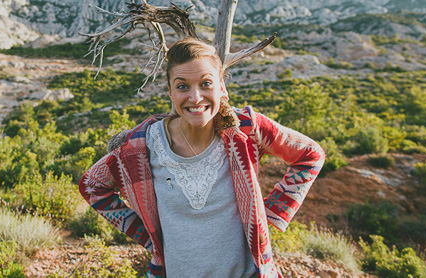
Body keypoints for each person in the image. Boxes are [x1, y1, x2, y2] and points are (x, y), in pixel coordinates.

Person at [79, 37, 325, 278]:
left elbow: (310, 155)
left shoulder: (246, 129)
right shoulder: (141, 146)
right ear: (171, 92)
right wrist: (150, 236)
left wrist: (266, 218)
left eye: (206, 84)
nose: (195, 98)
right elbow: (92, 186)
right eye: (183, 86)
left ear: (221, 86)